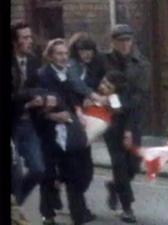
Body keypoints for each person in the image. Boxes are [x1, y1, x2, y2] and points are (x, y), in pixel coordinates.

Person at [33, 39, 95, 225]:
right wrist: (52, 117)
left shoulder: (69, 74)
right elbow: (31, 106)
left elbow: (74, 97)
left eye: (65, 53)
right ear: (50, 55)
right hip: (48, 134)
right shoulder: (41, 75)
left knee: (76, 176)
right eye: (58, 54)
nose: (63, 57)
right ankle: (48, 214)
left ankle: (78, 216)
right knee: (49, 176)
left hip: (70, 133)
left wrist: (78, 110)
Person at [101, 23, 151, 223]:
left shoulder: (142, 65)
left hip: (132, 119)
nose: (125, 44)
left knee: (133, 166)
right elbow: (97, 85)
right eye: (120, 41)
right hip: (110, 121)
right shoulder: (102, 61)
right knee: (119, 164)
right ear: (113, 42)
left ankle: (114, 186)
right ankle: (127, 207)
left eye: (128, 40)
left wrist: (129, 128)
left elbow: (140, 97)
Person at [11, 21, 56, 206]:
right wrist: (31, 96)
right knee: (15, 173)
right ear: (14, 41)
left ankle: (16, 205)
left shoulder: (33, 60)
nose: (29, 41)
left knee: (38, 169)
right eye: (25, 38)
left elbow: (40, 87)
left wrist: (46, 98)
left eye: (30, 37)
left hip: (28, 123)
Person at [67, 32, 107, 105]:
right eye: (83, 51)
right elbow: (76, 81)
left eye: (90, 50)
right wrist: (93, 96)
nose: (87, 54)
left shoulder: (93, 64)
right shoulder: (72, 64)